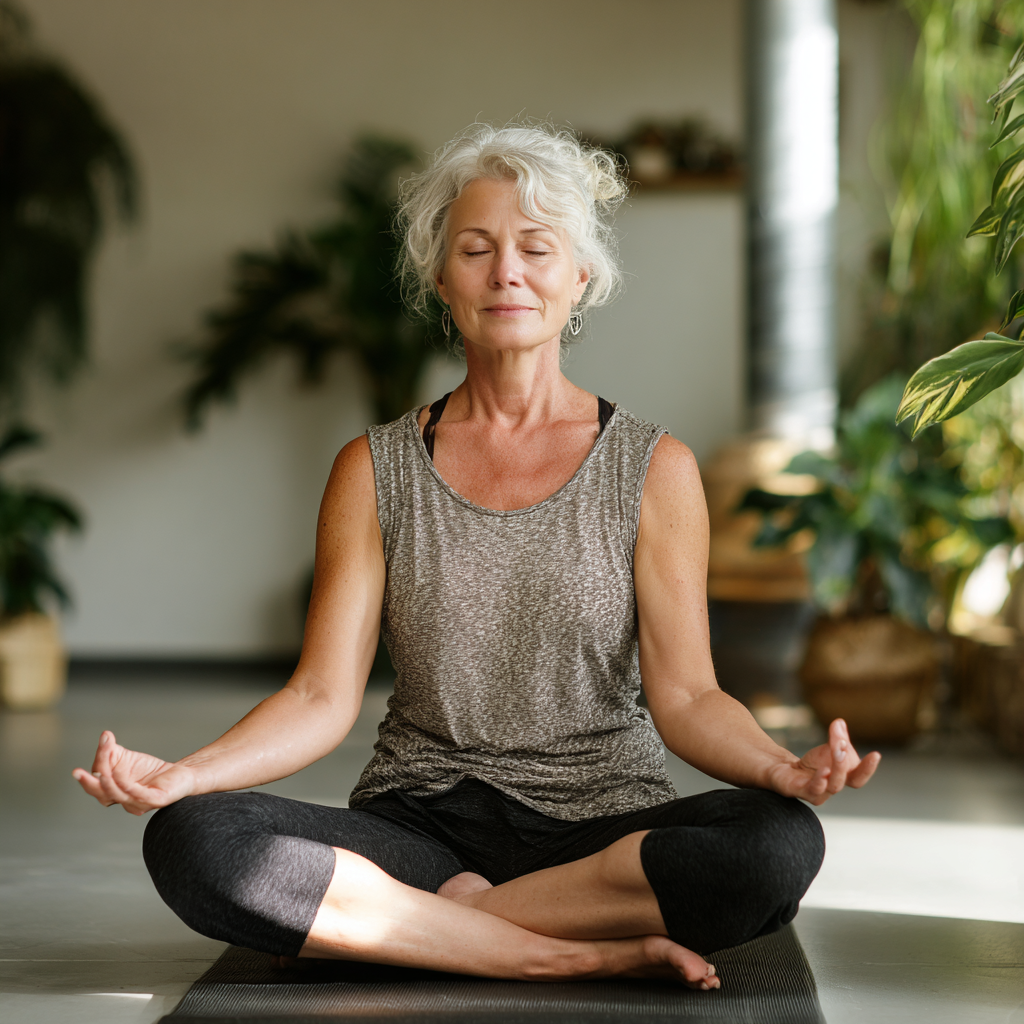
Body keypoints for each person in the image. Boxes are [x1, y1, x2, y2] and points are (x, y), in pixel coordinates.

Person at [73, 123, 879, 990]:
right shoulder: (372, 469)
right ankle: (550, 950)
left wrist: (781, 768)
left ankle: (405, 930)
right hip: (419, 830)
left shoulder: (655, 468)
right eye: (476, 248)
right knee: (194, 839)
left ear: (581, 278)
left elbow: (686, 696)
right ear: (440, 277)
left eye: (537, 248)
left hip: (603, 830)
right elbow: (319, 695)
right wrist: (186, 773)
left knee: (777, 846)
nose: (507, 272)